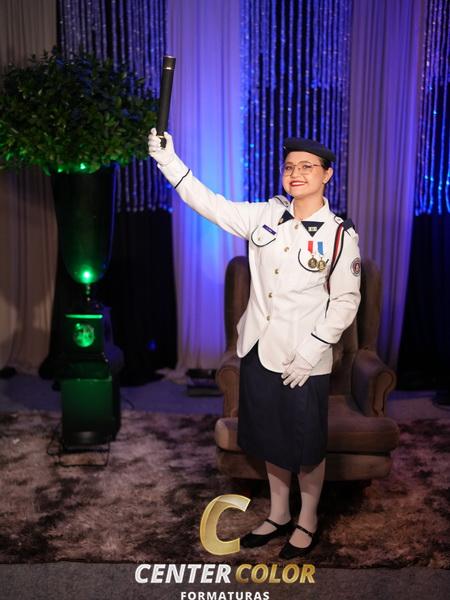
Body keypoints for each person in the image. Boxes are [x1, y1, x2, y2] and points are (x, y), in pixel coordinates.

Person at [148, 129, 361, 559]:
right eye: (289, 166)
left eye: (307, 167)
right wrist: (168, 160)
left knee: (306, 446)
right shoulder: (265, 214)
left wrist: (311, 352)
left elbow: (345, 301)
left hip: (303, 359)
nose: (295, 173)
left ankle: (307, 519)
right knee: (271, 439)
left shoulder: (340, 235)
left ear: (326, 175)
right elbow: (208, 203)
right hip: (258, 350)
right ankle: (279, 514)